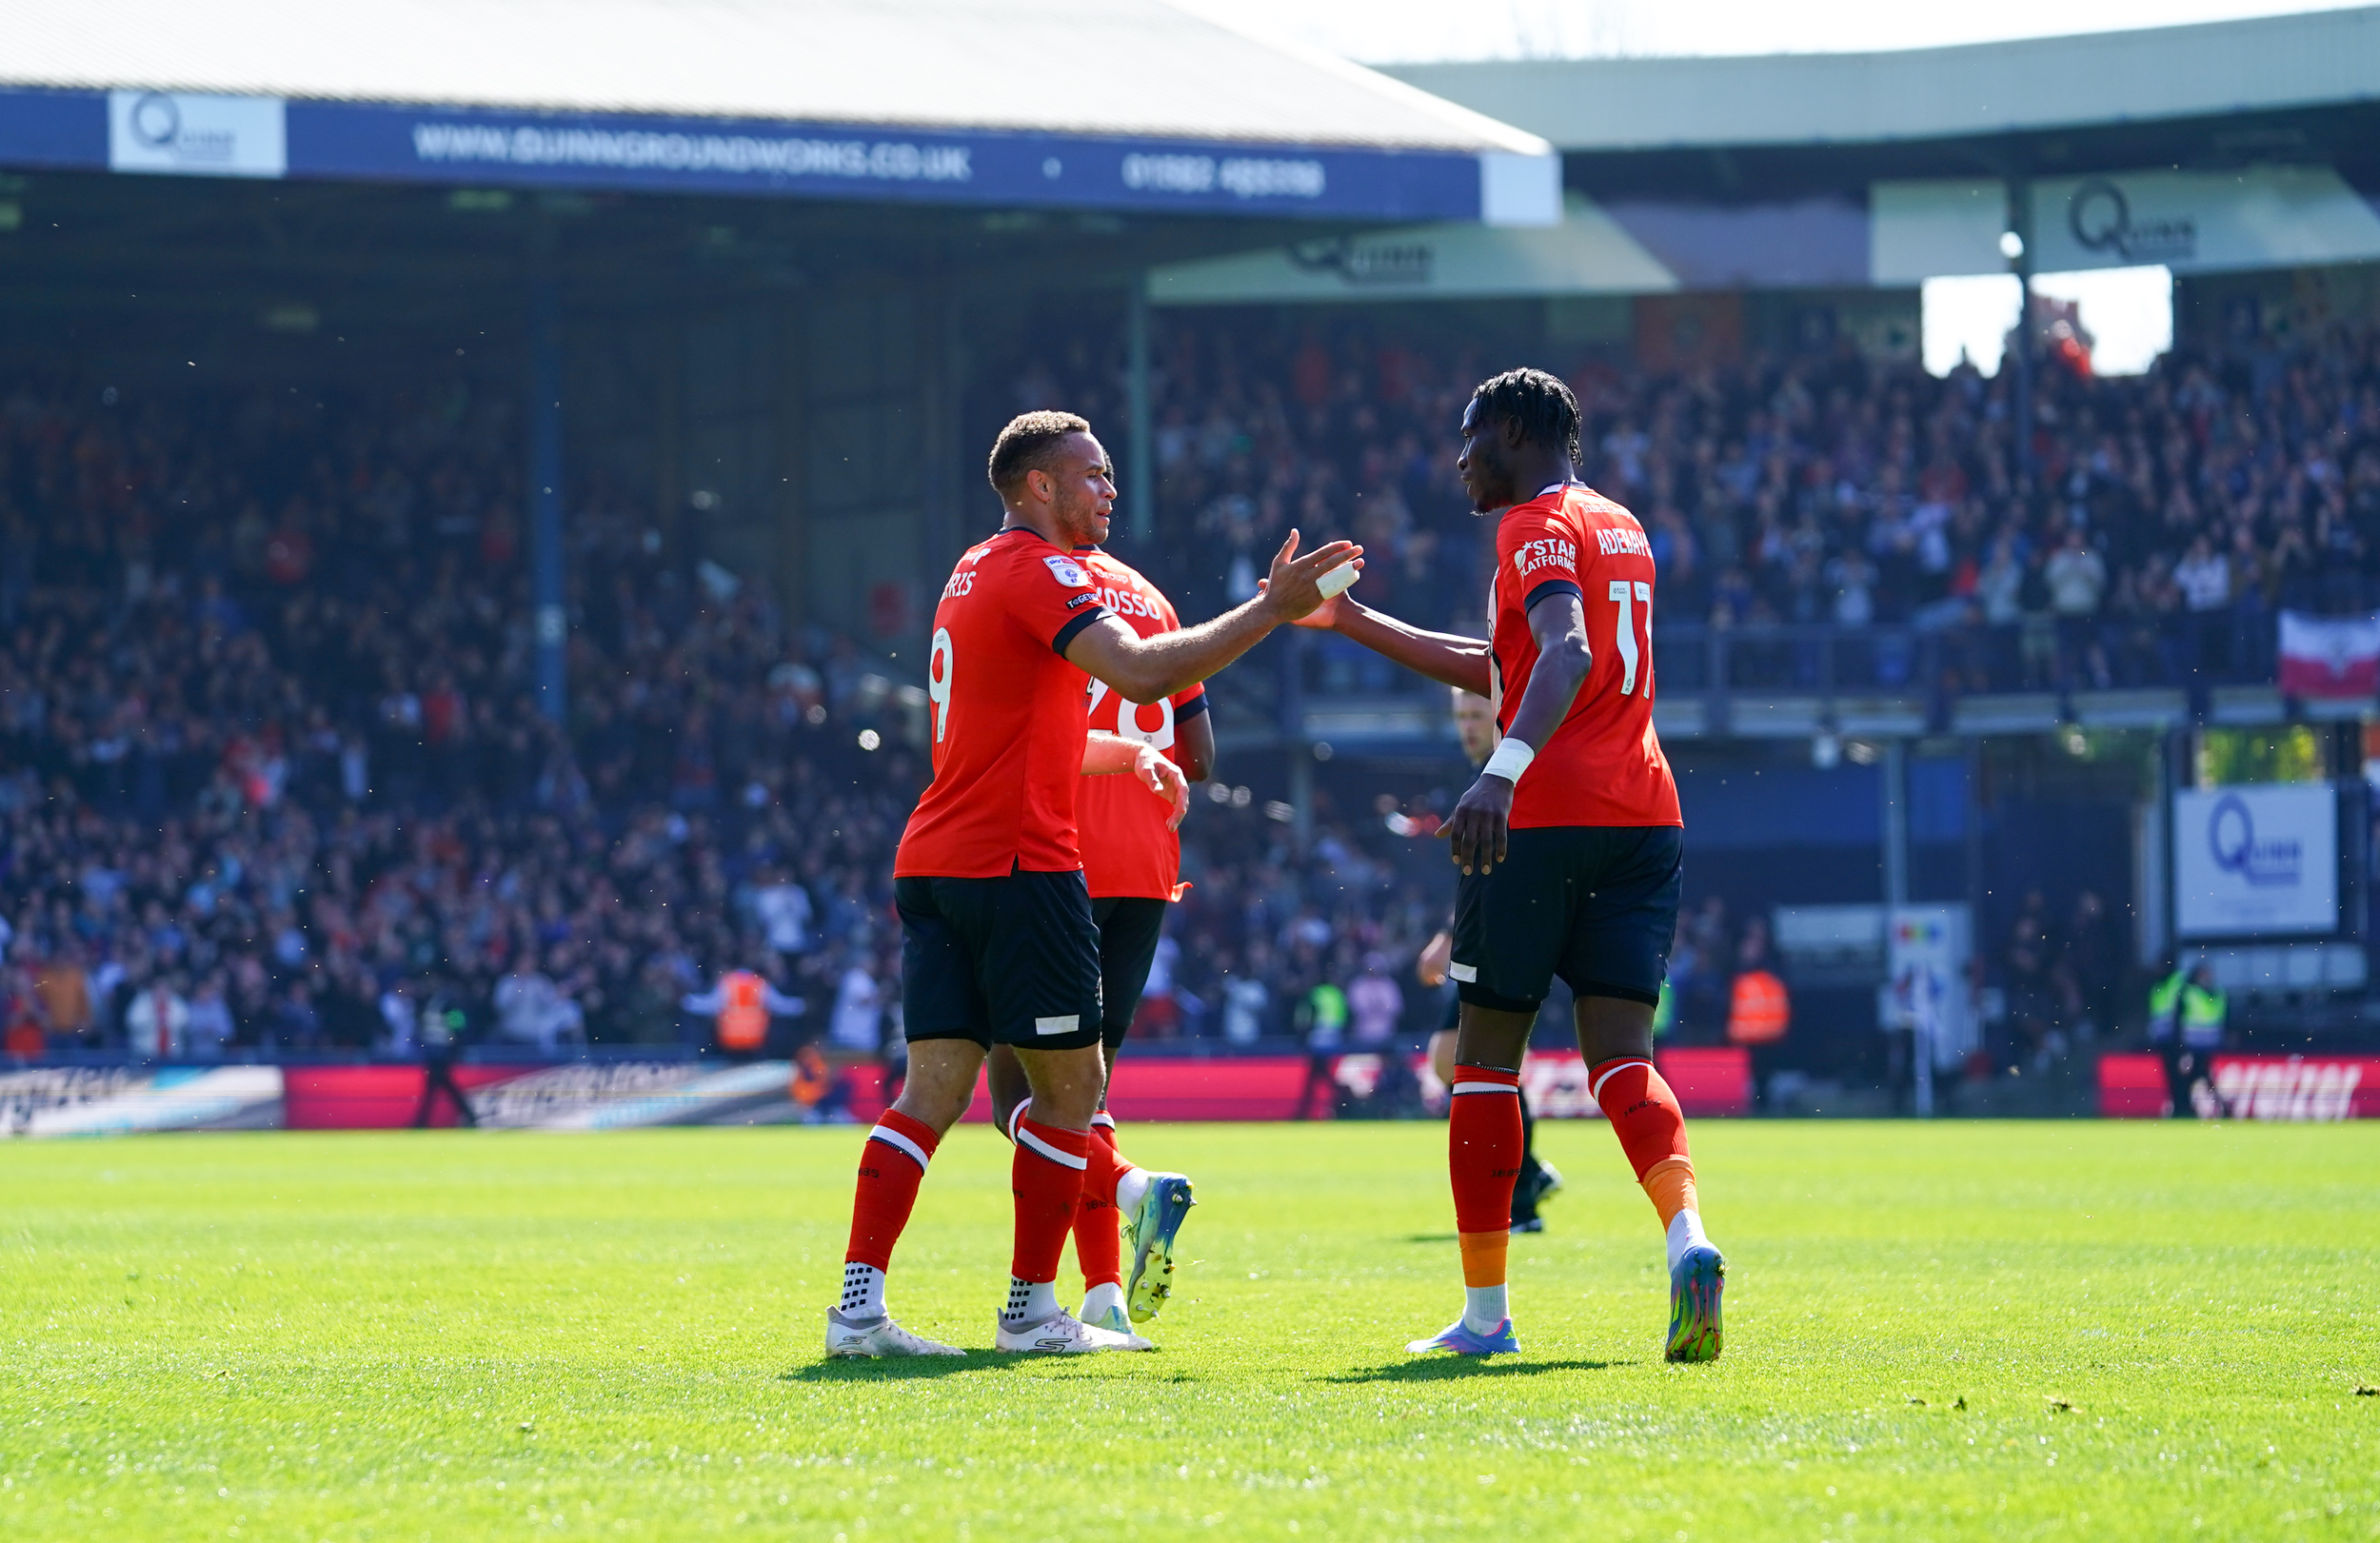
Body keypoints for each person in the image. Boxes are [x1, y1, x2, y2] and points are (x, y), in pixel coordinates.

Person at [825, 409, 1358, 1358]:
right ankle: (1034, 1310)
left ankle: (856, 1313)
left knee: (932, 1092)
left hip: (937, 859)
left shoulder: (972, 571)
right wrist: (1269, 609)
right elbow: (1147, 672)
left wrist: (1122, 758)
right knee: (1074, 1088)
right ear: (1038, 485)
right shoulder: (1042, 571)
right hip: (1023, 865)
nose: (1109, 490)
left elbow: (1025, 726)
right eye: (1093, 474)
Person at [1290, 367, 1722, 1362]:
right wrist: (1351, 622)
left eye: (1471, 436)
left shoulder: (1530, 526)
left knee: (1483, 1062)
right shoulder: (1621, 526)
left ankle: (1486, 1318)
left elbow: (1560, 654)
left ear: (1520, 433)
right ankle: (1686, 1237)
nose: (1458, 458)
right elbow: (1505, 662)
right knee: (1623, 1054)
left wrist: (1500, 773)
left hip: (1541, 818)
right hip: (1644, 817)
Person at [983, 536, 1212, 1335]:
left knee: (1023, 1090)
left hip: (1057, 853)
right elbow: (1202, 755)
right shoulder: (1156, 602)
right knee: (1089, 1086)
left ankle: (1125, 1192)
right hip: (1148, 865)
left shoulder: (1038, 586)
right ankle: (1103, 1293)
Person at [1418, 684, 1559, 1232]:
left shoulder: (1507, 775)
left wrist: (1450, 936)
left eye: (1477, 714)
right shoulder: (1482, 775)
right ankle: (1528, 1174)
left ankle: (1521, 1195)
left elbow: (1503, 865)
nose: (1468, 725)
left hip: (1509, 932)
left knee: (1475, 1061)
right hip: (1484, 931)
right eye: (1461, 715)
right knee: (1457, 1059)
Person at [681, 966, 805, 1058]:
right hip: (755, 1041)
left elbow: (711, 1005)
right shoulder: (759, 983)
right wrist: (801, 1006)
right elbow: (779, 1005)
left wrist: (688, 1002)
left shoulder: (728, 983)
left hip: (729, 1040)